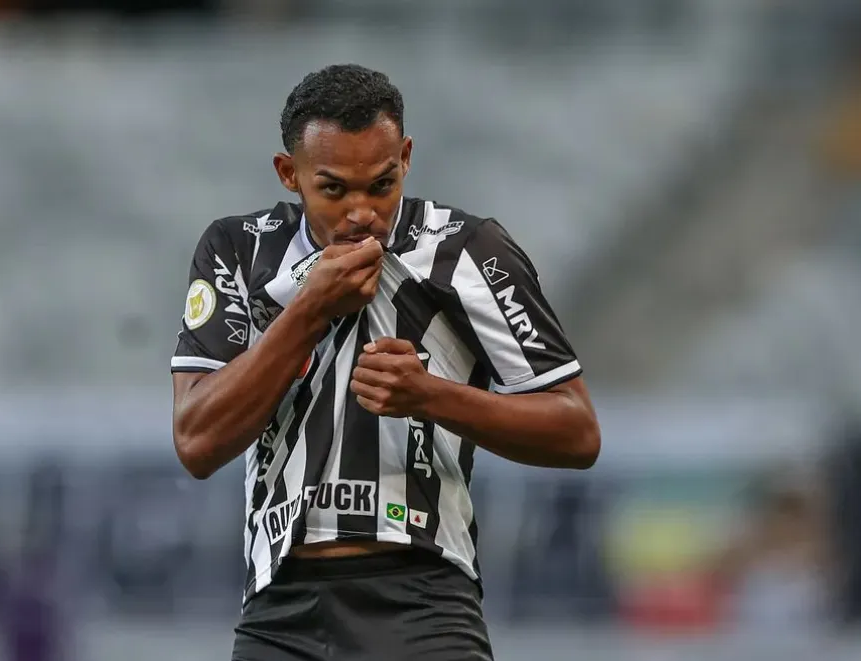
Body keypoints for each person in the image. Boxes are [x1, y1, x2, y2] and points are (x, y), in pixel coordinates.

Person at [170, 64, 600, 661]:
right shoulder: (239, 251)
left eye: (381, 184)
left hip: (424, 599)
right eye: (334, 189)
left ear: (406, 157)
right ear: (288, 173)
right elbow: (196, 441)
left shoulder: (468, 250)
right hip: (281, 604)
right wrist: (307, 311)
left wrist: (430, 396)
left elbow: (577, 431)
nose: (361, 212)